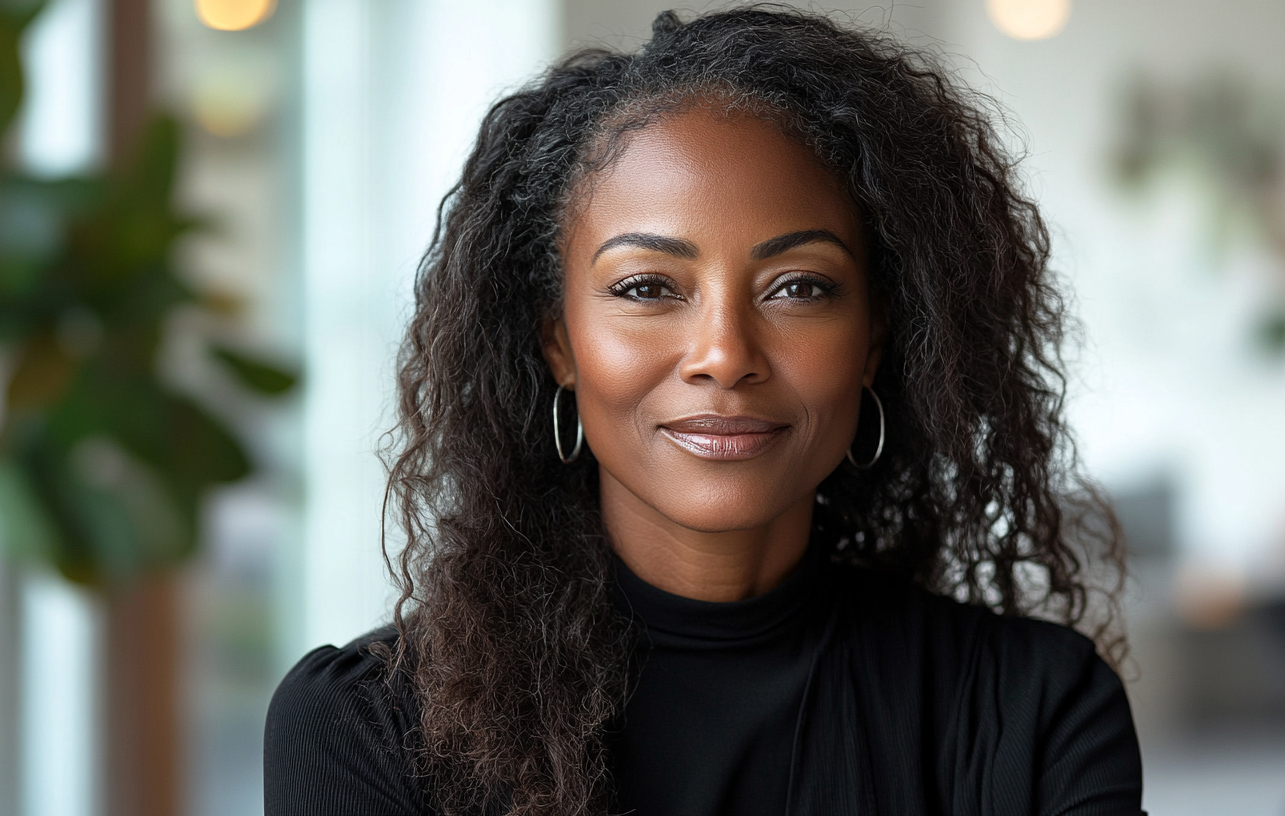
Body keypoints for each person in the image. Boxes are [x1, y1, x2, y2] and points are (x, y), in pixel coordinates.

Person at [264, 8, 1143, 816]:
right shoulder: (367, 730)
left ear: (875, 339)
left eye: (798, 287)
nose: (724, 353)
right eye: (648, 288)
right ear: (558, 343)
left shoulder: (1035, 714)